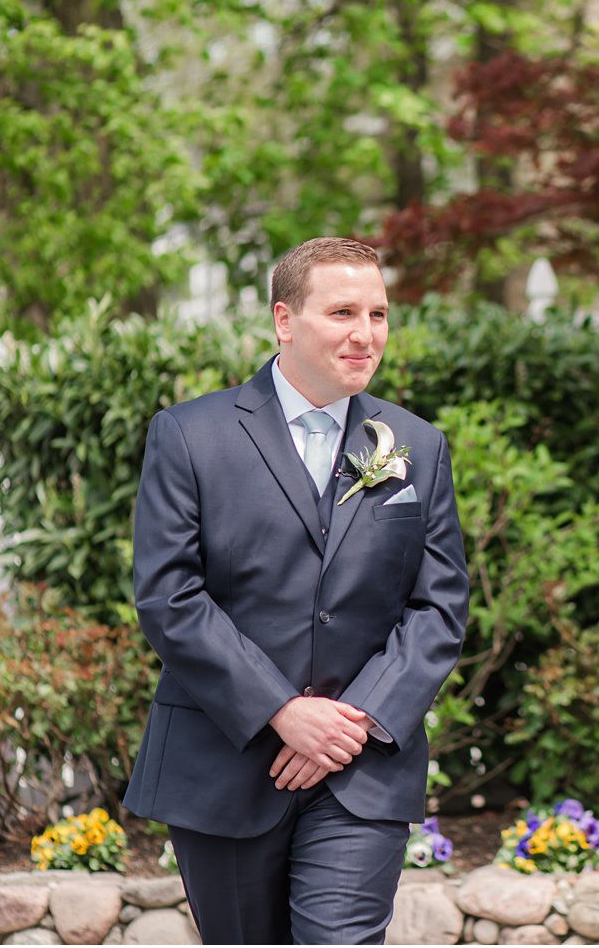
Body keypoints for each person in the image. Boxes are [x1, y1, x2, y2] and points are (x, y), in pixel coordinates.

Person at [123, 237, 469, 944]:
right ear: (285, 320)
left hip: (362, 766)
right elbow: (169, 597)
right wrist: (281, 710)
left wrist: (353, 721)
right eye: (342, 311)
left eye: (378, 314)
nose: (364, 333)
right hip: (226, 759)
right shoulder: (191, 436)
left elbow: (439, 606)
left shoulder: (415, 446)